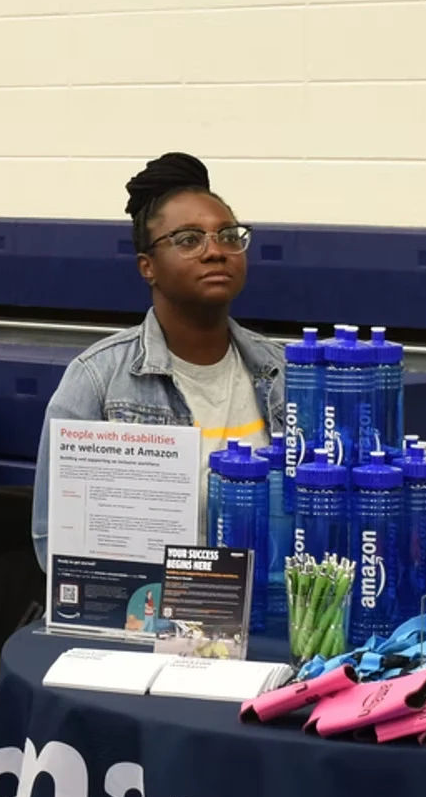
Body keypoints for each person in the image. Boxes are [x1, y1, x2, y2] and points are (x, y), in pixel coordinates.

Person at [30, 151, 285, 568]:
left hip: (270, 614)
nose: (215, 251)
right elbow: (52, 541)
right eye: (188, 240)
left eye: (228, 235)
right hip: (146, 613)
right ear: (147, 266)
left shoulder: (287, 373)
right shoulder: (97, 380)